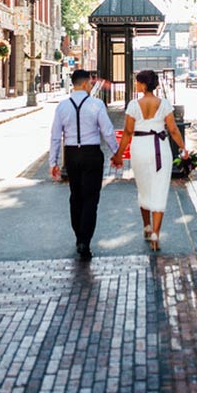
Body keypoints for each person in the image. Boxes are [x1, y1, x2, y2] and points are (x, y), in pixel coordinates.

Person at [112, 68, 188, 252]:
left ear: (144, 84)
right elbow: (173, 130)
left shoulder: (133, 105)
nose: (136, 85)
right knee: (159, 189)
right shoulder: (164, 104)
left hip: (140, 148)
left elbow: (128, 133)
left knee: (143, 188)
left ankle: (146, 227)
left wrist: (119, 155)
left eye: (138, 82)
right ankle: (155, 234)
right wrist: (183, 148)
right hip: (160, 148)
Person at [49, 68, 119, 261]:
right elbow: (108, 131)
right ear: (83, 84)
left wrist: (53, 162)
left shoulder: (62, 107)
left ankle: (79, 235)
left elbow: (56, 136)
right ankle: (85, 241)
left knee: (75, 196)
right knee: (91, 199)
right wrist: (117, 153)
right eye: (89, 82)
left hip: (71, 155)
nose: (91, 85)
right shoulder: (96, 104)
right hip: (91, 154)